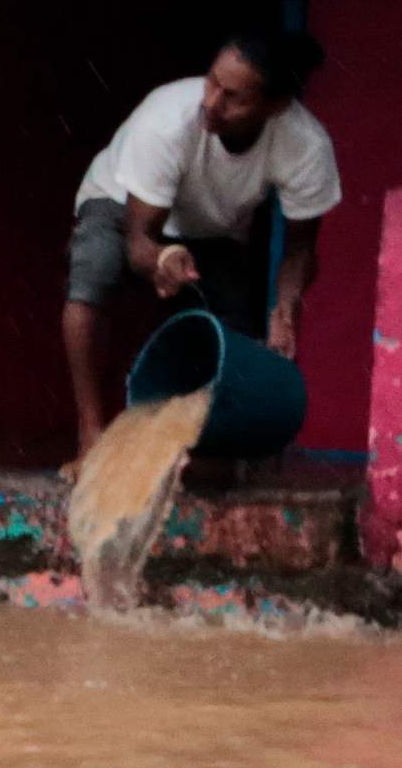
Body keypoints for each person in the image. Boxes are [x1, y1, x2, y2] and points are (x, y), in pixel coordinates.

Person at [64, 26, 338, 452]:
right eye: (212, 82)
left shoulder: (306, 146)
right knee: (91, 279)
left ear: (276, 106)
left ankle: (217, 452)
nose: (211, 102)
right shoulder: (167, 119)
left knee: (237, 341)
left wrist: (286, 305)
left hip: (214, 227)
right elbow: (139, 242)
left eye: (234, 97)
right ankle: (90, 431)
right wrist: (164, 257)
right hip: (121, 201)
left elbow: (302, 248)